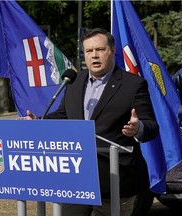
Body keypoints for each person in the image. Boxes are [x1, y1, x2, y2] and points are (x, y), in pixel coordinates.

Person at [19, 28, 159, 216]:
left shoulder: (133, 85)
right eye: (89, 51)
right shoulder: (74, 82)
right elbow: (63, 115)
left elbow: (151, 127)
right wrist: (39, 121)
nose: (94, 56)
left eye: (100, 50)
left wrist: (138, 127)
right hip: (76, 178)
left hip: (115, 180)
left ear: (112, 50)